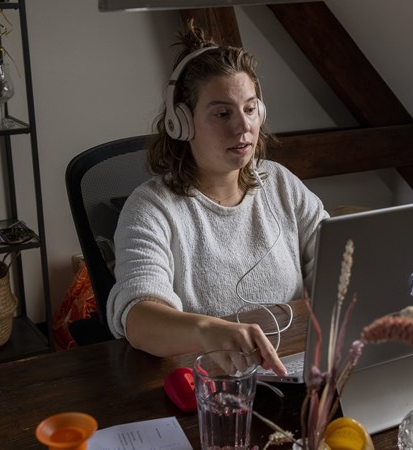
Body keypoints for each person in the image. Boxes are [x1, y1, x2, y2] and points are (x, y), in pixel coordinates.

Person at [106, 21, 328, 376]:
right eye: (223, 114)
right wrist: (206, 330)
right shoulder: (151, 208)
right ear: (181, 123)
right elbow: (138, 318)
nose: (243, 127)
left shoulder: (280, 184)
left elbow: (335, 264)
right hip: (208, 385)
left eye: (250, 109)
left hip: (293, 369)